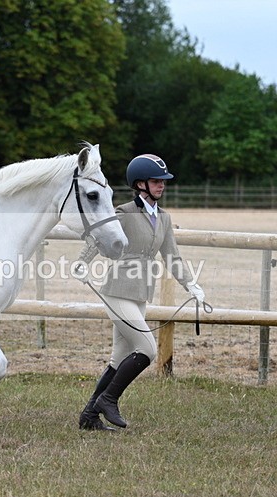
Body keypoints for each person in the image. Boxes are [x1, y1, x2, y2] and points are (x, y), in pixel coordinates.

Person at [77, 154, 205, 431]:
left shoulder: (164, 218)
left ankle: (89, 417)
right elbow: (98, 236)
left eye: (163, 181)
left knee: (118, 358)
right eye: (156, 181)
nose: (161, 185)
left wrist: (191, 285)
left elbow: (172, 257)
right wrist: (82, 262)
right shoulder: (124, 212)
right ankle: (108, 400)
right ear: (140, 184)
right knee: (147, 349)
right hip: (118, 290)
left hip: (141, 293)